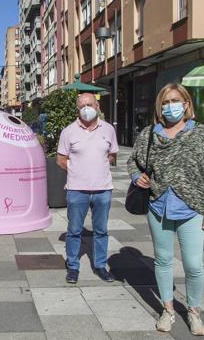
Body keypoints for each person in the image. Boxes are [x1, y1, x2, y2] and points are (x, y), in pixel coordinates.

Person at [127, 83, 204, 336]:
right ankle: (168, 310)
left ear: (187, 104)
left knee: (193, 264)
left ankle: (193, 311)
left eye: (175, 101)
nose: (171, 106)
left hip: (192, 209)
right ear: (159, 107)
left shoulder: (202, 134)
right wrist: (137, 176)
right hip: (158, 207)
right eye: (165, 102)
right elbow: (132, 160)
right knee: (163, 260)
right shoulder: (149, 134)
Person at [56, 93, 119, 284]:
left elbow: (112, 156)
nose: (86, 109)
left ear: (97, 106)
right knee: (74, 230)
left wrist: (97, 167)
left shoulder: (108, 130)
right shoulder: (68, 131)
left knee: (101, 230)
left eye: (89, 104)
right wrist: (78, 170)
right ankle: (73, 266)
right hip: (77, 190)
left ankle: (100, 265)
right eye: (82, 105)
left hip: (103, 189)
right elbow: (60, 160)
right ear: (77, 108)